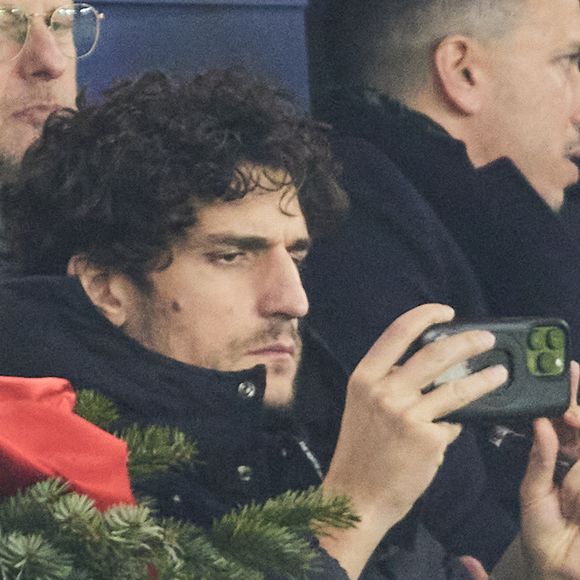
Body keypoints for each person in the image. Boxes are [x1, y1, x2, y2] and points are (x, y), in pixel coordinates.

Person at [0, 68, 579, 580]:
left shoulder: (308, 424)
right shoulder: (41, 471)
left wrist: (536, 565)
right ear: (107, 287)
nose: (293, 299)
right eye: (231, 256)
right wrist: (356, 507)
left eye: (296, 256)